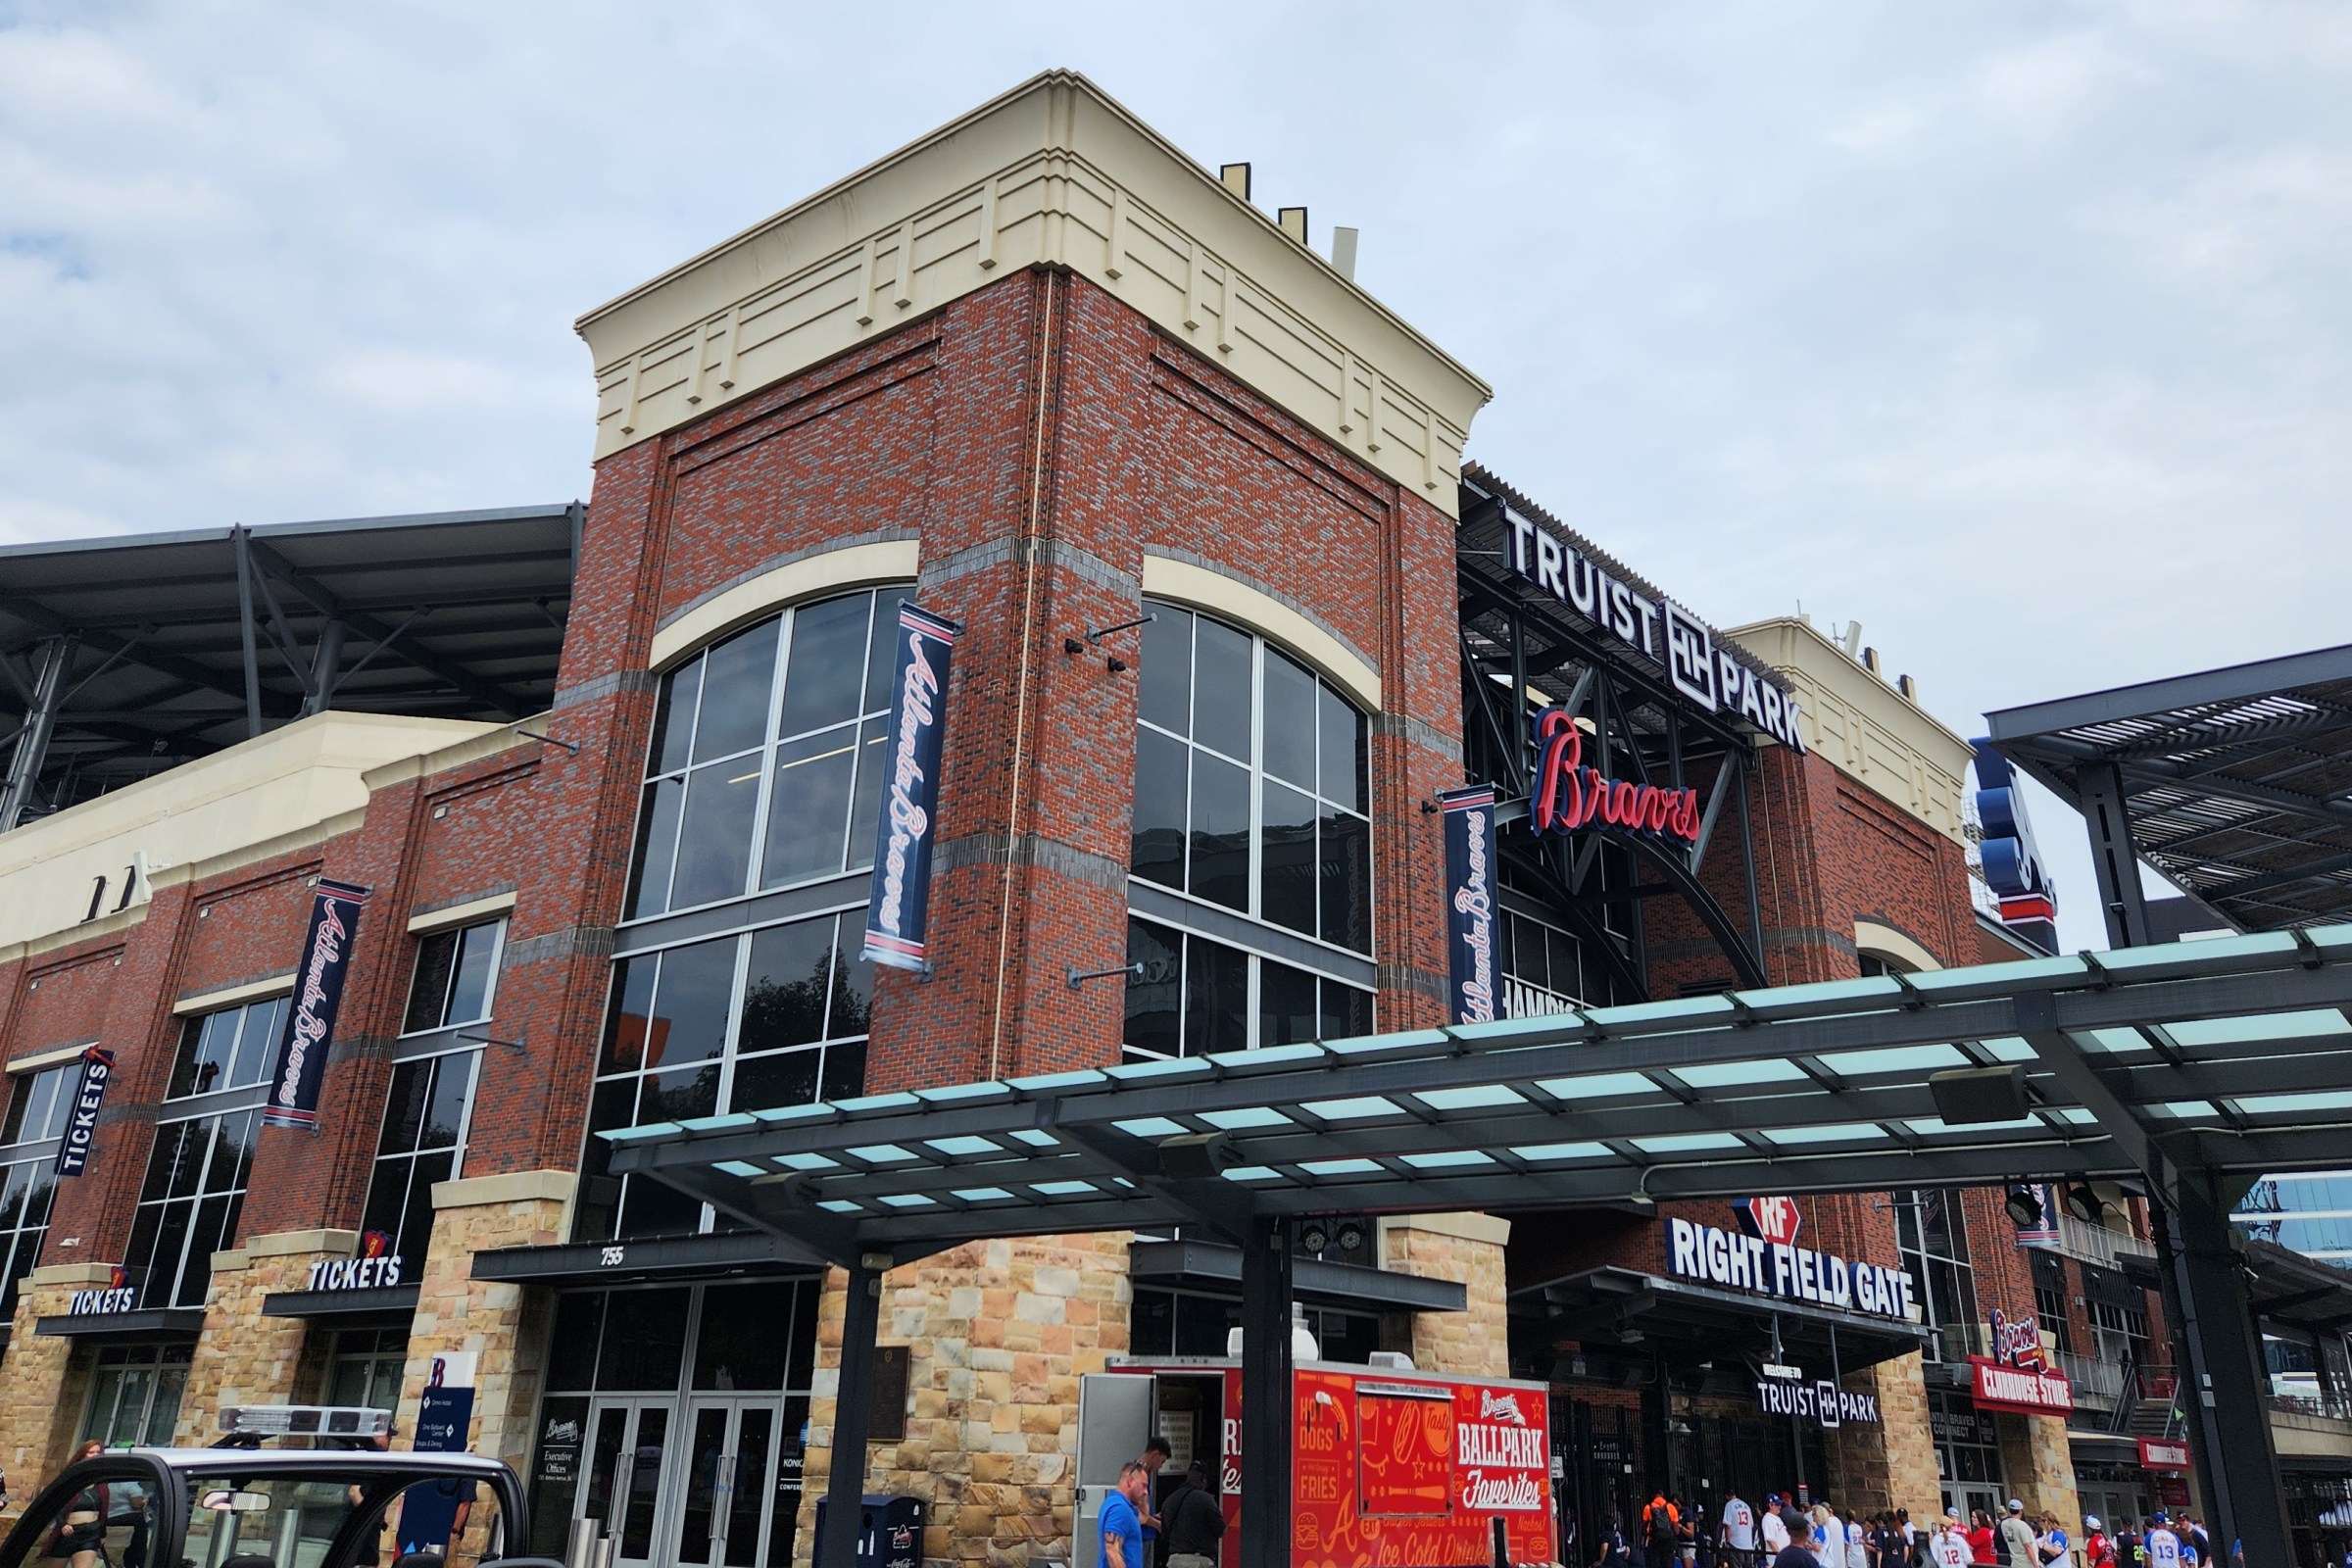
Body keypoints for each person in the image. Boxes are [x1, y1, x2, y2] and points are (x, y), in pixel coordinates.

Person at [1158, 1461, 1222, 1568]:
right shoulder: (1206, 1500)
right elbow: (1221, 1529)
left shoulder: (1169, 1500)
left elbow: (1164, 1533)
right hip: (1199, 1561)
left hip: (1174, 1561)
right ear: (1204, 1479)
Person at [1101, 1461, 1149, 1568]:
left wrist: (1143, 1496)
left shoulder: (1119, 1504)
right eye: (1143, 1485)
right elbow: (1112, 1550)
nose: (1146, 1492)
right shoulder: (1120, 1509)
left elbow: (1144, 1517)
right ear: (1131, 1481)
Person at [1136, 1437, 1172, 1563]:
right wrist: (1158, 1525)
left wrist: (1153, 1516)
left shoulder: (1145, 1474)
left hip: (1145, 1535)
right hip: (1140, 1537)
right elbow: (1140, 1515)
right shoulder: (1138, 1475)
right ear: (1155, 1454)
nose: (1160, 1467)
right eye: (1161, 1461)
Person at [1722, 1490, 1758, 1568]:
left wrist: (1728, 1542)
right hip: (1748, 1543)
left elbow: (1727, 1525)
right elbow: (1752, 1525)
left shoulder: (1729, 1505)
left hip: (1736, 1542)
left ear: (1727, 1496)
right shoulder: (1746, 1506)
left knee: (1737, 1565)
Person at [1647, 1492, 1684, 1568]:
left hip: (1655, 1542)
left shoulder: (1648, 1508)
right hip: (1668, 1542)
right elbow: (1676, 1531)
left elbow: (1645, 1526)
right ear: (1662, 1494)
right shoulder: (1670, 1507)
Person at [2001, 1501, 2038, 1568]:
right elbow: (2028, 1546)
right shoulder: (2022, 1525)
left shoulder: (2004, 1524)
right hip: (2026, 1563)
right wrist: (2036, 1565)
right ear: (2020, 1511)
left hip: (2015, 1562)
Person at [1763, 1497, 1792, 1562]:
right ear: (1770, 1505)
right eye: (1777, 1505)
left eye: (1780, 1505)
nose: (1779, 1507)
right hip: (1777, 1559)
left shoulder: (1777, 1518)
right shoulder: (1767, 1519)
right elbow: (1770, 1541)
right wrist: (1781, 1556)